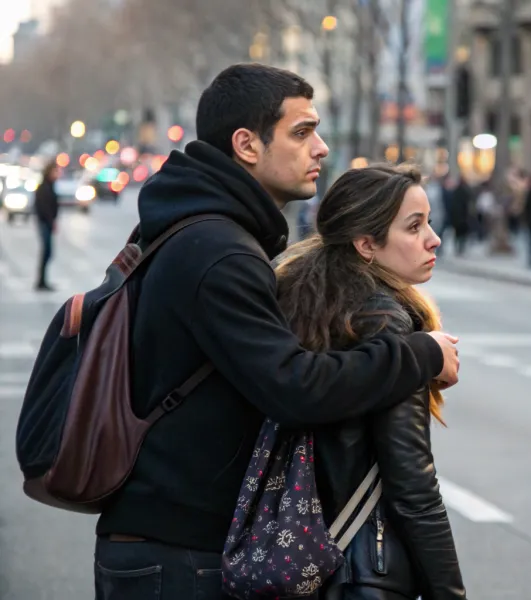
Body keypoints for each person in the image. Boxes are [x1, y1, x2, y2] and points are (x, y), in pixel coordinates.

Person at [93, 64, 460, 600]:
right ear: (246, 144)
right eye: (302, 132)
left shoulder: (201, 227)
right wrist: (421, 353)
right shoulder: (219, 251)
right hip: (177, 552)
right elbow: (293, 386)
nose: (322, 149)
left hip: (167, 540)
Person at [276, 164, 467, 600]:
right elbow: (413, 488)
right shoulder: (387, 325)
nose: (433, 238)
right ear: (366, 244)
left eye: (430, 222)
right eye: (414, 226)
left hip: (291, 558)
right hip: (360, 571)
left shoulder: (299, 303)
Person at [33, 160, 60, 291]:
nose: (57, 174)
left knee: (48, 252)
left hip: (47, 222)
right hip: (45, 223)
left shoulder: (51, 185)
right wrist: (51, 221)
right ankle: (41, 281)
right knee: (47, 252)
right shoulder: (44, 187)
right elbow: (43, 207)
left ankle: (42, 280)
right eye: (55, 171)